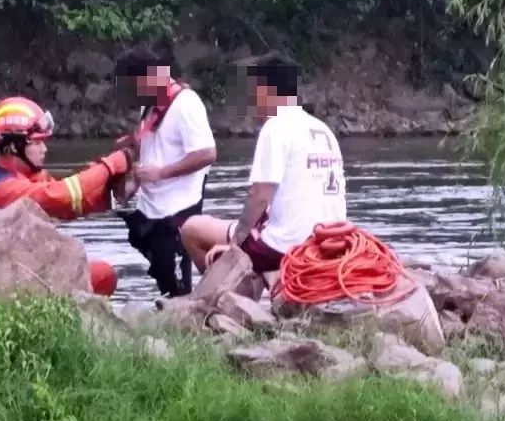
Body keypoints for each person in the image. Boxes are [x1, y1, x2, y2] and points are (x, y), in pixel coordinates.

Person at [182, 53, 347, 294]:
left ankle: (225, 300)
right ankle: (259, 287)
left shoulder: (276, 126)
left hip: (288, 246)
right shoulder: (322, 129)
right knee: (250, 228)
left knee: (192, 228)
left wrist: (234, 246)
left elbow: (260, 195)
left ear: (265, 89)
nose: (251, 100)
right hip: (328, 241)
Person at [0, 94, 133, 297]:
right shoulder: (4, 188)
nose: (44, 149)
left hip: (28, 267)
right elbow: (60, 196)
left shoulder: (26, 177)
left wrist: (112, 191)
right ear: (14, 147)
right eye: (37, 143)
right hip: (15, 278)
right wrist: (111, 165)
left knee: (103, 274)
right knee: (101, 275)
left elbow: (69, 203)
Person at [112, 47, 218, 297]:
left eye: (134, 87)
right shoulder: (149, 106)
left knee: (175, 271)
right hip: (152, 204)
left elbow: (207, 153)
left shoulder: (186, 104)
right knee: (155, 259)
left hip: (180, 204)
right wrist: (131, 183)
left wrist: (162, 173)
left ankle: (189, 315)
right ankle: (175, 311)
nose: (133, 95)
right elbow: (148, 151)